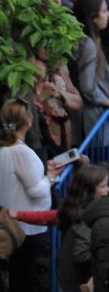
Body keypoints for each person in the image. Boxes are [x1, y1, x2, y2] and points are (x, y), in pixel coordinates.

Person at [0, 98, 62, 291]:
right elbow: (36, 191)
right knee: (23, 281)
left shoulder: (5, 149)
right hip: (25, 228)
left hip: (11, 224)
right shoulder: (21, 152)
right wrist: (51, 177)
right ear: (28, 120)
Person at [71, 0, 109, 144]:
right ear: (93, 17)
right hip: (90, 122)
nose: (108, 15)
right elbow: (87, 88)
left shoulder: (91, 41)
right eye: (104, 11)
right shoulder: (88, 45)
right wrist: (108, 102)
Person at [55, 164, 109, 292]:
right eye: (103, 186)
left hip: (68, 280)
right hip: (77, 284)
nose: (108, 190)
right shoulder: (86, 218)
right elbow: (82, 255)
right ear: (90, 191)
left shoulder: (74, 210)